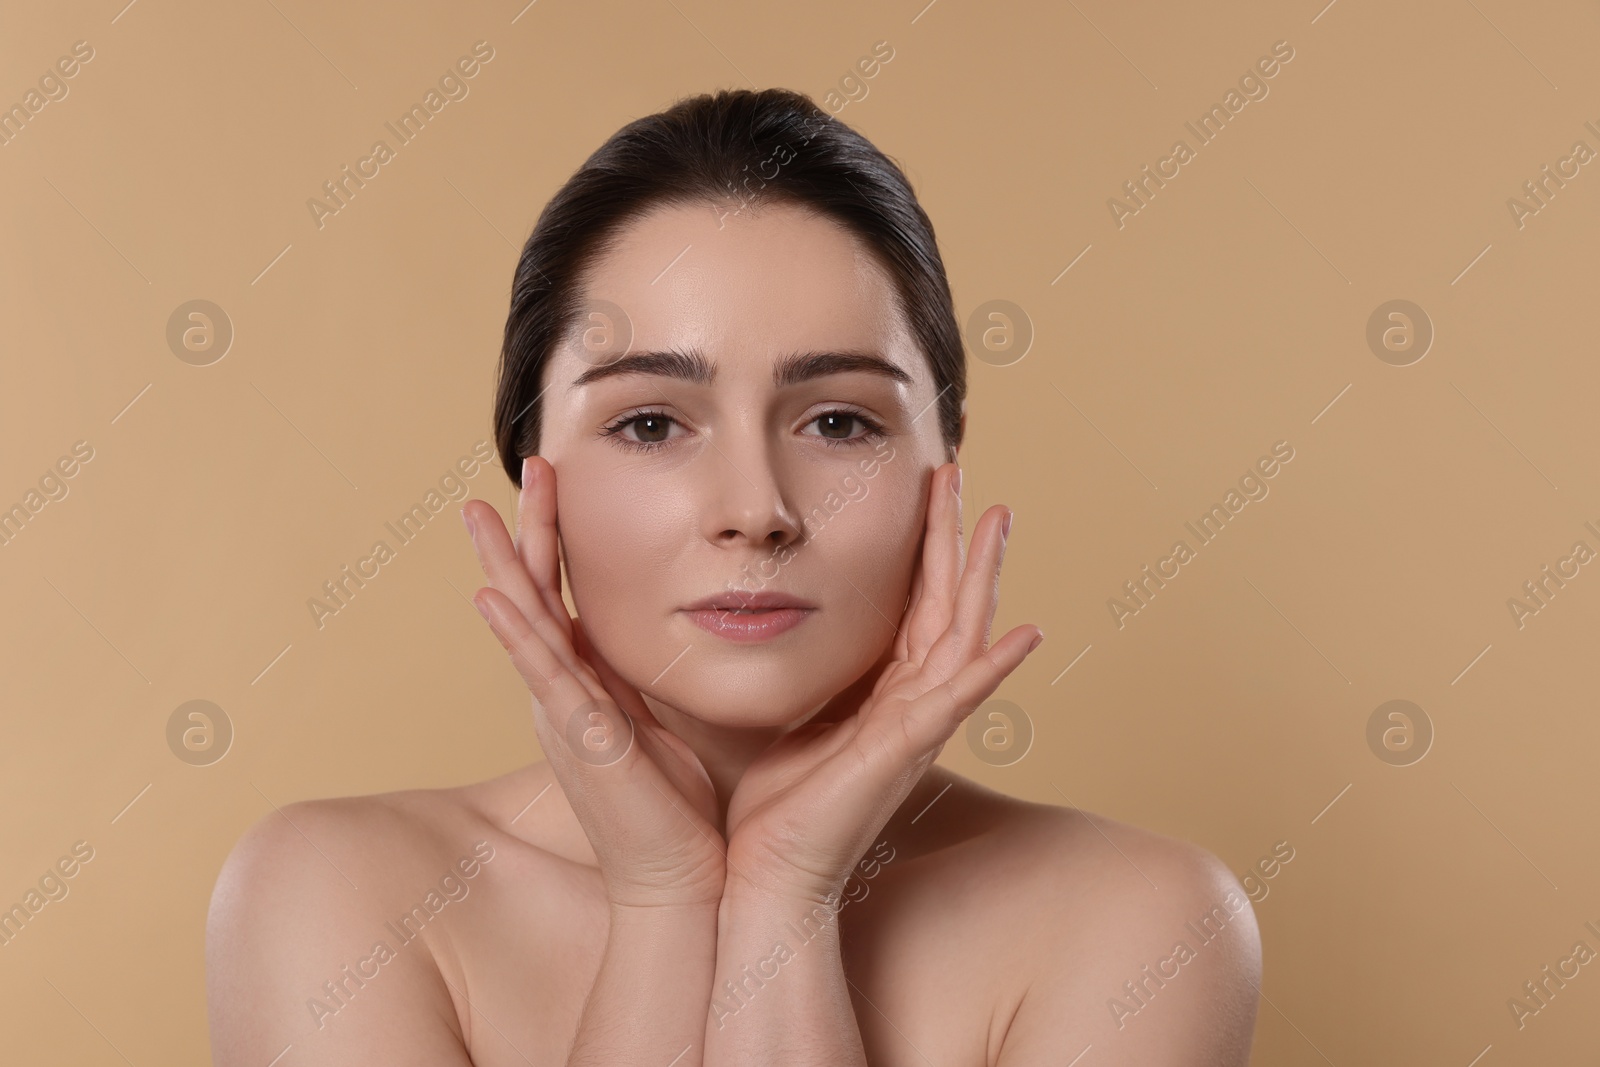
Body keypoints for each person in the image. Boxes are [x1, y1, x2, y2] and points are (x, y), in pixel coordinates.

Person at [206, 87, 1261, 1066]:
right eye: (651, 422)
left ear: (944, 466)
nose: (755, 509)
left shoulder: (1139, 920)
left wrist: (783, 900)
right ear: (537, 472)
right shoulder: (338, 896)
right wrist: (664, 902)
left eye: (840, 420)